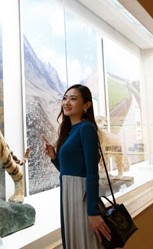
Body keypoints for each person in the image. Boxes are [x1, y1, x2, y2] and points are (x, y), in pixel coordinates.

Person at [41, 84, 111, 249]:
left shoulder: (86, 128)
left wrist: (93, 211)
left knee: (84, 242)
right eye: (65, 98)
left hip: (82, 196)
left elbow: (92, 172)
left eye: (73, 99)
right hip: (69, 194)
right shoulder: (70, 130)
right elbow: (68, 171)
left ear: (87, 105)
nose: (66, 102)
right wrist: (54, 157)